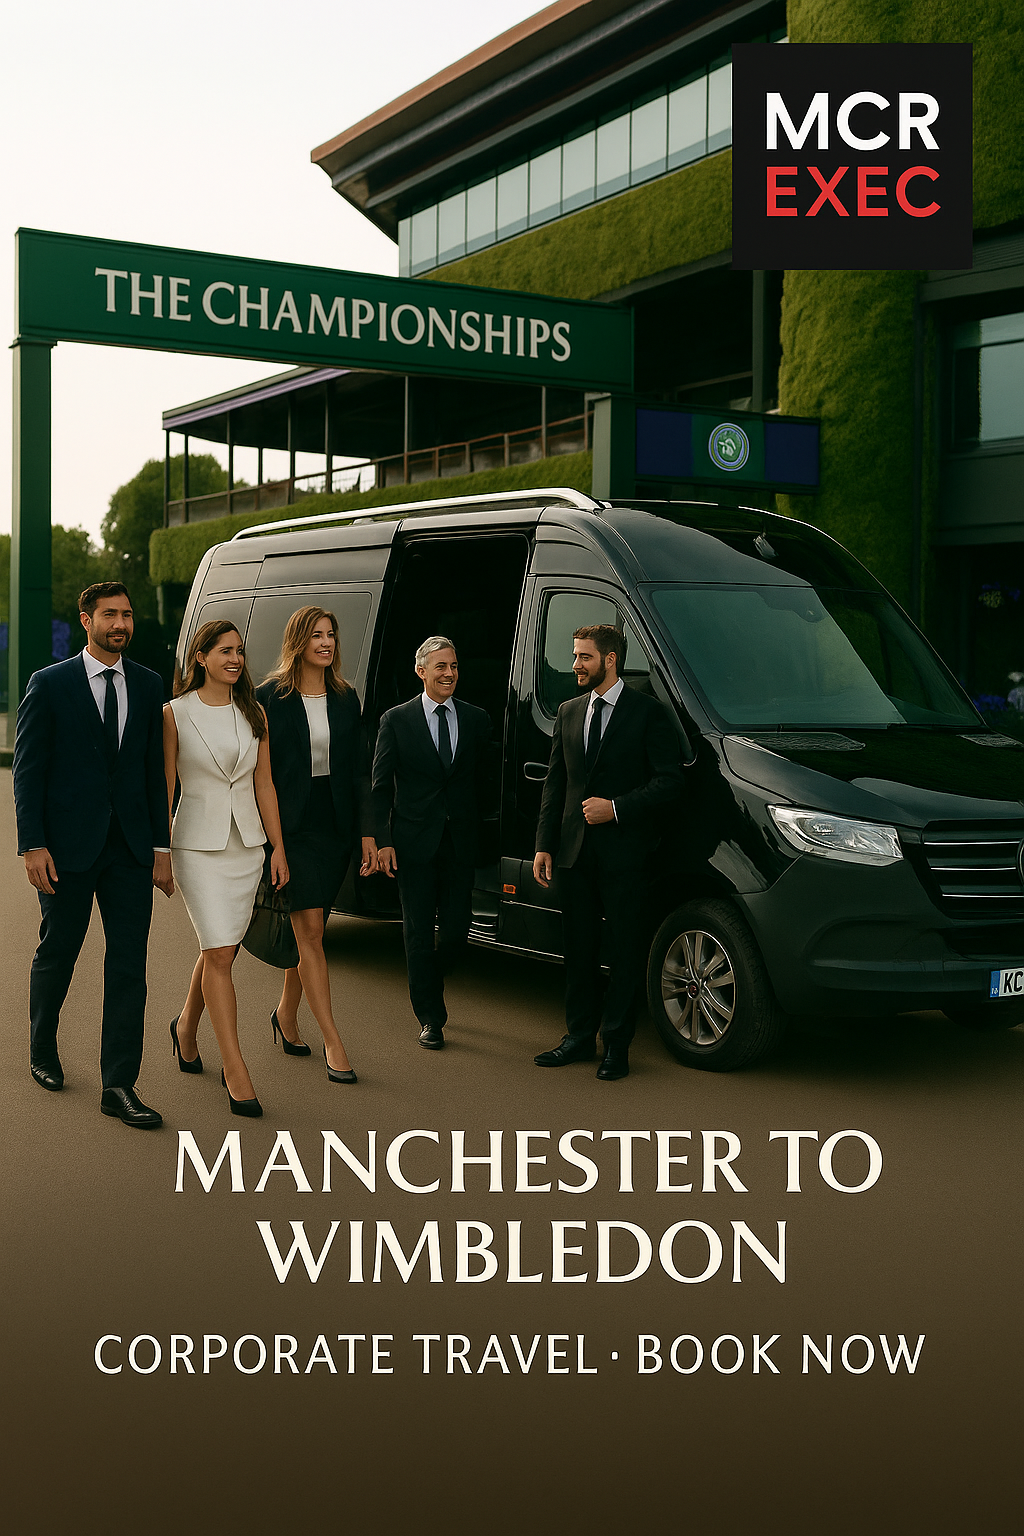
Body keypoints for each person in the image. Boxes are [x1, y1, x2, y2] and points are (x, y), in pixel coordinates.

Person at [13, 582, 171, 1127]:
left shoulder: (149, 685)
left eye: (127, 614)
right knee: (59, 951)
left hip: (129, 849)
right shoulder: (49, 684)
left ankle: (118, 1084)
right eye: (109, 615)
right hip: (65, 849)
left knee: (129, 966)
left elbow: (153, 773)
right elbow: (28, 771)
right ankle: (42, 1048)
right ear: (87, 620)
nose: (120, 624)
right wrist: (32, 844)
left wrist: (160, 846)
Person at [533, 624, 684, 1080]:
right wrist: (544, 845)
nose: (575, 665)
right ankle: (578, 1038)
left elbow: (670, 782)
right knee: (578, 952)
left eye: (584, 657)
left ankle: (617, 1046)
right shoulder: (568, 711)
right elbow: (556, 784)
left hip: (626, 856)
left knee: (624, 952)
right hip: (574, 854)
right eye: (575, 655)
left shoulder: (648, 713)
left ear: (610, 659)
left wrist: (615, 808)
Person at [163, 620, 288, 1117]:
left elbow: (265, 785)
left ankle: (185, 1026)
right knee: (218, 951)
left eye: (239, 651)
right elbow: (165, 787)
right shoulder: (175, 713)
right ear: (201, 657)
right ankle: (236, 1070)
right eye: (224, 651)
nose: (235, 659)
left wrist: (277, 848)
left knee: (221, 949)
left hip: (247, 847)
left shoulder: (253, 710)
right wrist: (160, 852)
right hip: (196, 847)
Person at [253, 606, 377, 1083]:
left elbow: (359, 771)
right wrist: (273, 844)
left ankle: (285, 1015)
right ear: (298, 641)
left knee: (313, 930)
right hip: (291, 828)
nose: (326, 643)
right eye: (317, 635)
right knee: (309, 933)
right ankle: (333, 1042)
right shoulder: (269, 697)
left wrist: (367, 833)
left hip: (334, 827)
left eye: (331, 634)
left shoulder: (346, 697)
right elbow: (260, 774)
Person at [372, 636, 492, 1049]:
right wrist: (383, 840)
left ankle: (429, 977)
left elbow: (484, 782)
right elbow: (380, 787)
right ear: (421, 671)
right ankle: (430, 1017)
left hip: (459, 843)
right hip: (413, 844)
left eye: (454, 666)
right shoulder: (396, 720)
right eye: (441, 666)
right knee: (419, 934)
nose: (449, 673)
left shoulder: (476, 719)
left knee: (457, 932)